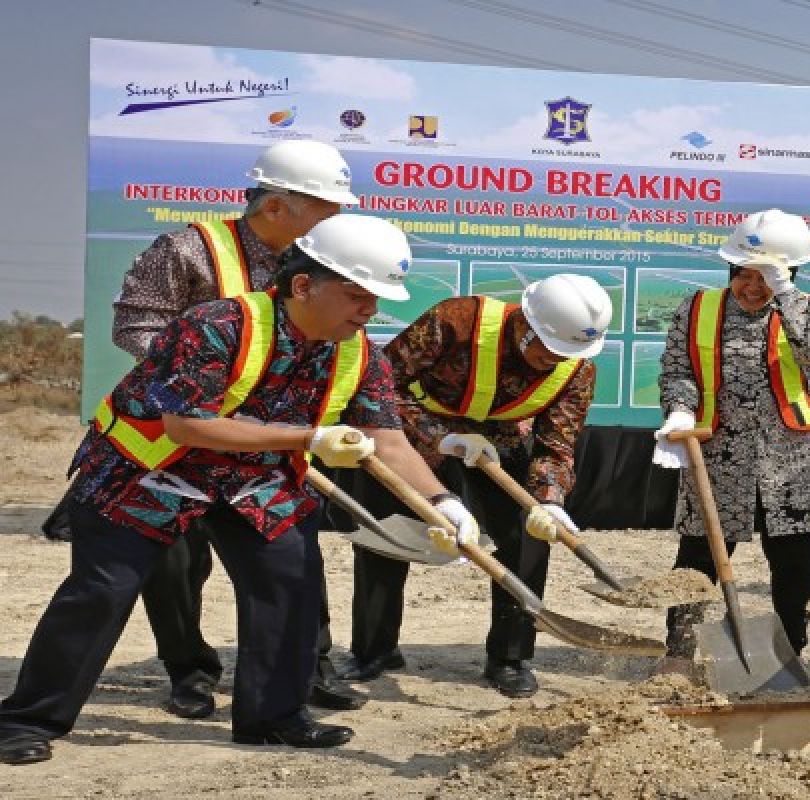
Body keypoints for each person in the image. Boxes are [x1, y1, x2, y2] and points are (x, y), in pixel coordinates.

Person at [0, 214, 481, 766]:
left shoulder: (358, 352)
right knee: (102, 592)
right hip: (148, 470)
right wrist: (309, 437)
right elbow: (186, 424)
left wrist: (445, 502)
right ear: (303, 285)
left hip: (252, 477)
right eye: (357, 295)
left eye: (376, 298)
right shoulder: (216, 324)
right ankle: (25, 719)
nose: (369, 310)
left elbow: (388, 441)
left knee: (291, 577)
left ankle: (274, 717)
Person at [116, 140, 364, 718]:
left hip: (269, 445)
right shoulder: (187, 251)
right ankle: (189, 671)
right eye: (326, 208)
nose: (337, 221)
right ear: (277, 206)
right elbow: (136, 325)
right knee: (177, 558)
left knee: (291, 556)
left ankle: (307, 667)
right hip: (185, 437)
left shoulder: (323, 262)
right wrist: (204, 383)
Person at [344, 274, 612, 698]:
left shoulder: (576, 367)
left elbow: (556, 444)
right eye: (550, 349)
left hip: (501, 445)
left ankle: (510, 657)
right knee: (388, 537)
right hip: (415, 437)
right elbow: (379, 386)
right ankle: (373, 651)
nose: (558, 360)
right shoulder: (455, 321)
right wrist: (440, 437)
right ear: (526, 324)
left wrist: (551, 500)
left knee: (528, 537)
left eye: (569, 353)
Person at [651, 209, 810, 674]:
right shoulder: (697, 308)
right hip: (717, 455)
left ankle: (788, 656)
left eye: (766, 277)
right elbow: (678, 369)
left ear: (790, 272)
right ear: (730, 270)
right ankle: (678, 656)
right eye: (744, 275)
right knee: (697, 557)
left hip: (795, 458)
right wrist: (679, 407)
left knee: (794, 564)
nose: (752, 288)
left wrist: (786, 294)